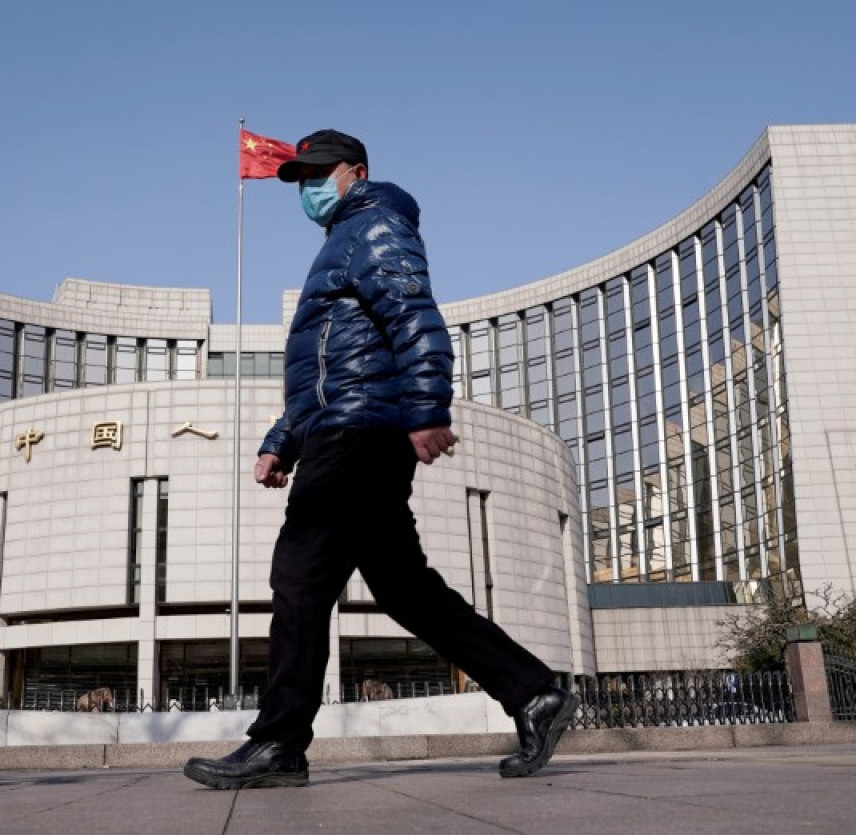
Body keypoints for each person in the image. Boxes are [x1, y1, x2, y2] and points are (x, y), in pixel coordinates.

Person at [183, 129, 577, 790]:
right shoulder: (345, 239)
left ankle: (280, 742)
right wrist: (283, 437)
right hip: (346, 428)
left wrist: (427, 409)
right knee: (405, 588)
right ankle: (534, 693)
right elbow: (331, 368)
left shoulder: (374, 225)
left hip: (360, 434)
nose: (307, 187)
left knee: (300, 577)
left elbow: (415, 317)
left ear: (354, 172)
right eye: (299, 177)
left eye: (317, 173)